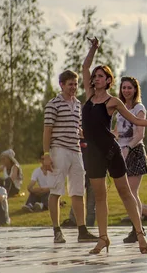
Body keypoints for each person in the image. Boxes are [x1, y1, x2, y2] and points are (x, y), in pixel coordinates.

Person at [82, 37, 147, 255]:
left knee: (126, 193)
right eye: (95, 76)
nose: (96, 78)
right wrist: (93, 48)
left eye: (101, 76)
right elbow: (84, 66)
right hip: (93, 153)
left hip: (111, 151)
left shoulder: (113, 102)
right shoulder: (89, 96)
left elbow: (136, 120)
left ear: (109, 81)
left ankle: (139, 233)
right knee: (99, 196)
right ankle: (103, 238)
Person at [43, 69, 98, 244]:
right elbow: (47, 131)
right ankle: (57, 230)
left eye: (75, 84)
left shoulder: (78, 104)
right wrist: (46, 154)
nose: (74, 87)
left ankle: (82, 230)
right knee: (56, 190)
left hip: (76, 150)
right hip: (59, 149)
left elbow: (79, 129)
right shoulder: (53, 104)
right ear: (62, 85)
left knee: (78, 191)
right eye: (70, 84)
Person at [115, 76, 147, 244]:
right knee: (126, 193)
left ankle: (137, 229)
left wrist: (128, 148)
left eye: (129, 88)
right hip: (121, 152)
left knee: (131, 192)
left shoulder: (139, 108)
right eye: (124, 88)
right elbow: (117, 132)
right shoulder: (120, 108)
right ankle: (137, 228)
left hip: (134, 151)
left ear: (135, 90)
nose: (126, 91)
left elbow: (139, 134)